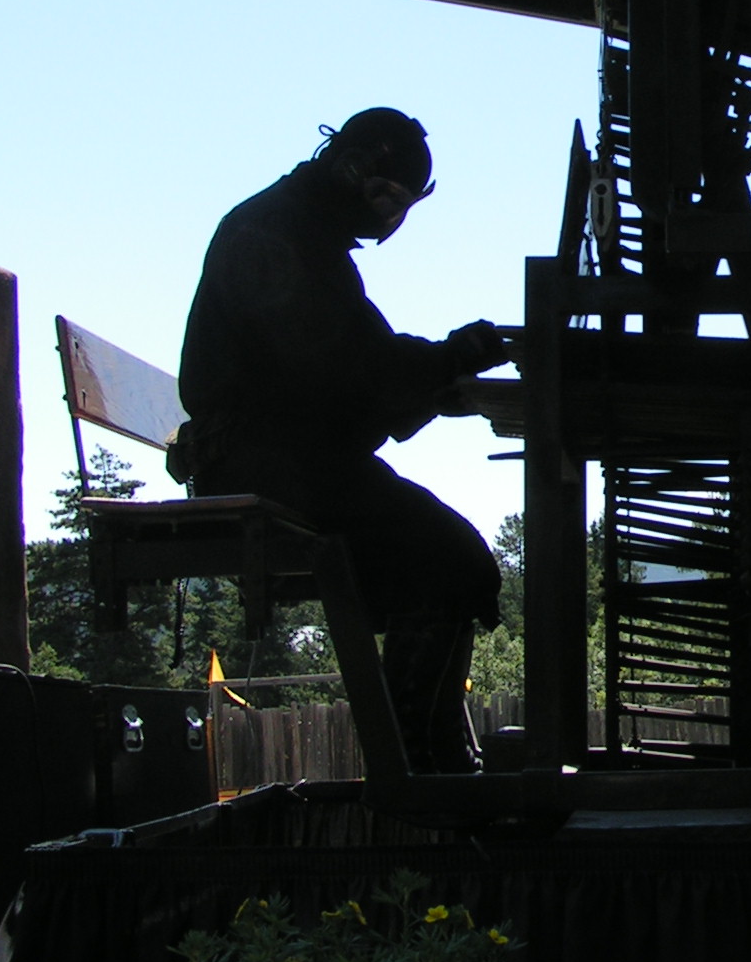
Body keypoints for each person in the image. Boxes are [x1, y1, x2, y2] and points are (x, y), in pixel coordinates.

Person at [169, 108, 511, 773]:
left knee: (451, 559)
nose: (389, 219)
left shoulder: (302, 229)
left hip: (284, 454)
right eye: (386, 198)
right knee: (448, 561)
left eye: (401, 206)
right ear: (350, 167)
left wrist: (440, 374)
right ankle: (421, 771)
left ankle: (430, 760)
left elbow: (352, 370)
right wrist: (447, 361)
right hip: (264, 464)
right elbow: (347, 369)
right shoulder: (276, 233)